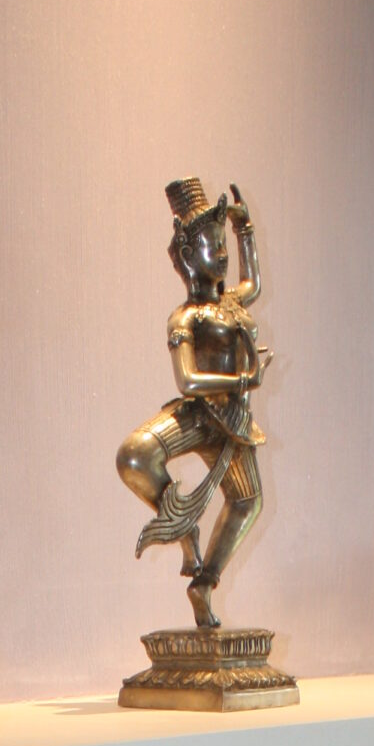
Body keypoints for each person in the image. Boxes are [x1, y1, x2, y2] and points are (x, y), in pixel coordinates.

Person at [116, 176, 269, 630]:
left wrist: (245, 230)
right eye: (211, 244)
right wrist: (243, 378)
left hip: (233, 423)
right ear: (187, 255)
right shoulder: (184, 318)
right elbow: (188, 379)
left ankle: (204, 582)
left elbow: (253, 283)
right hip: (199, 415)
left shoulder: (233, 302)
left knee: (247, 501)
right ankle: (184, 524)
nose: (221, 253)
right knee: (134, 455)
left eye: (222, 244)